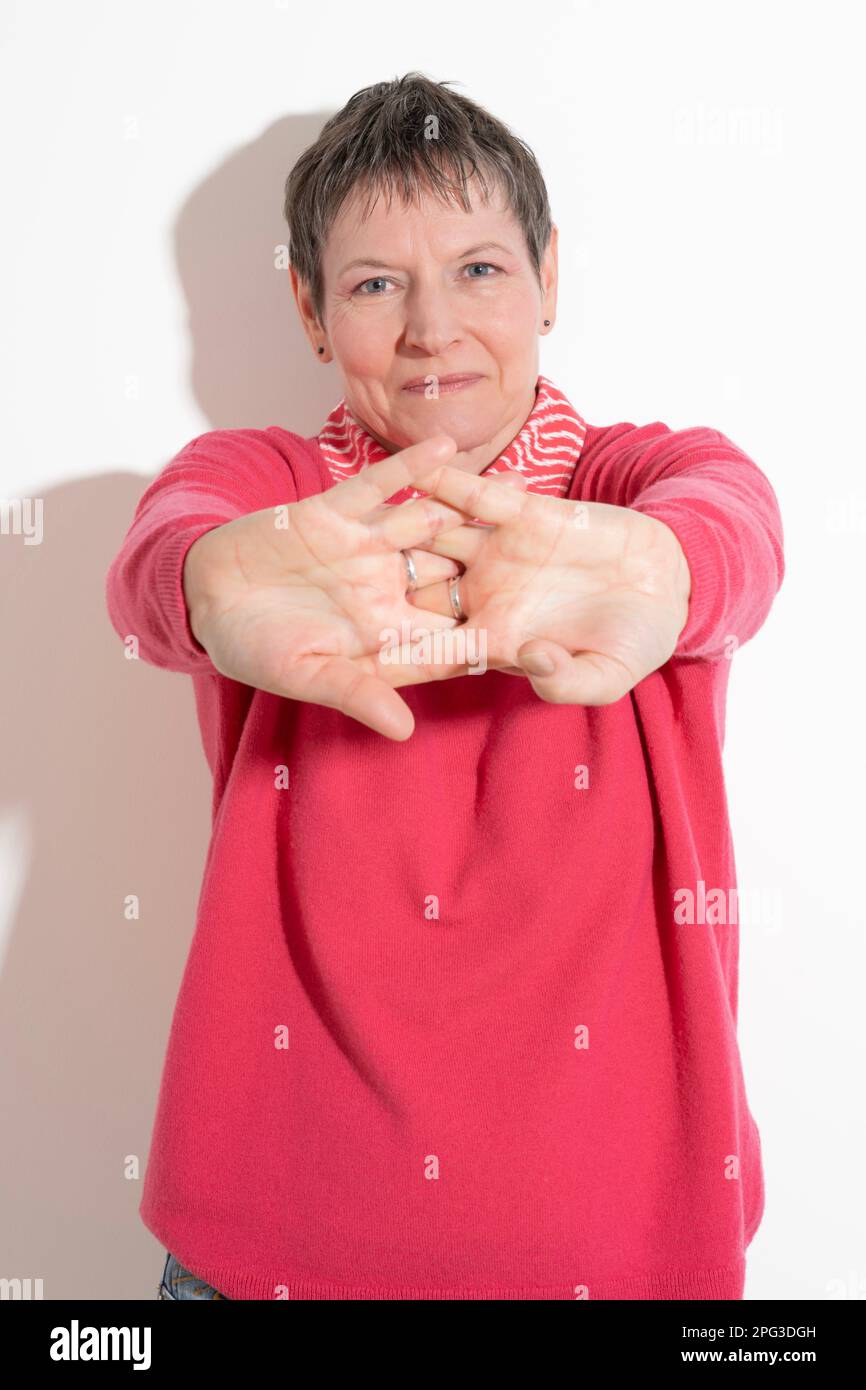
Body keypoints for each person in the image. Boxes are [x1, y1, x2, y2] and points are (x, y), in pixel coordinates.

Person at [105, 72, 784, 1301]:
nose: (432, 329)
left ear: (547, 281)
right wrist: (205, 581)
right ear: (309, 310)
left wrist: (662, 567)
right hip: (261, 1256)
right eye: (374, 284)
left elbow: (733, 527)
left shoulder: (635, 488)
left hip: (620, 1260)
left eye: (478, 268)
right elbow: (163, 556)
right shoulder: (270, 490)